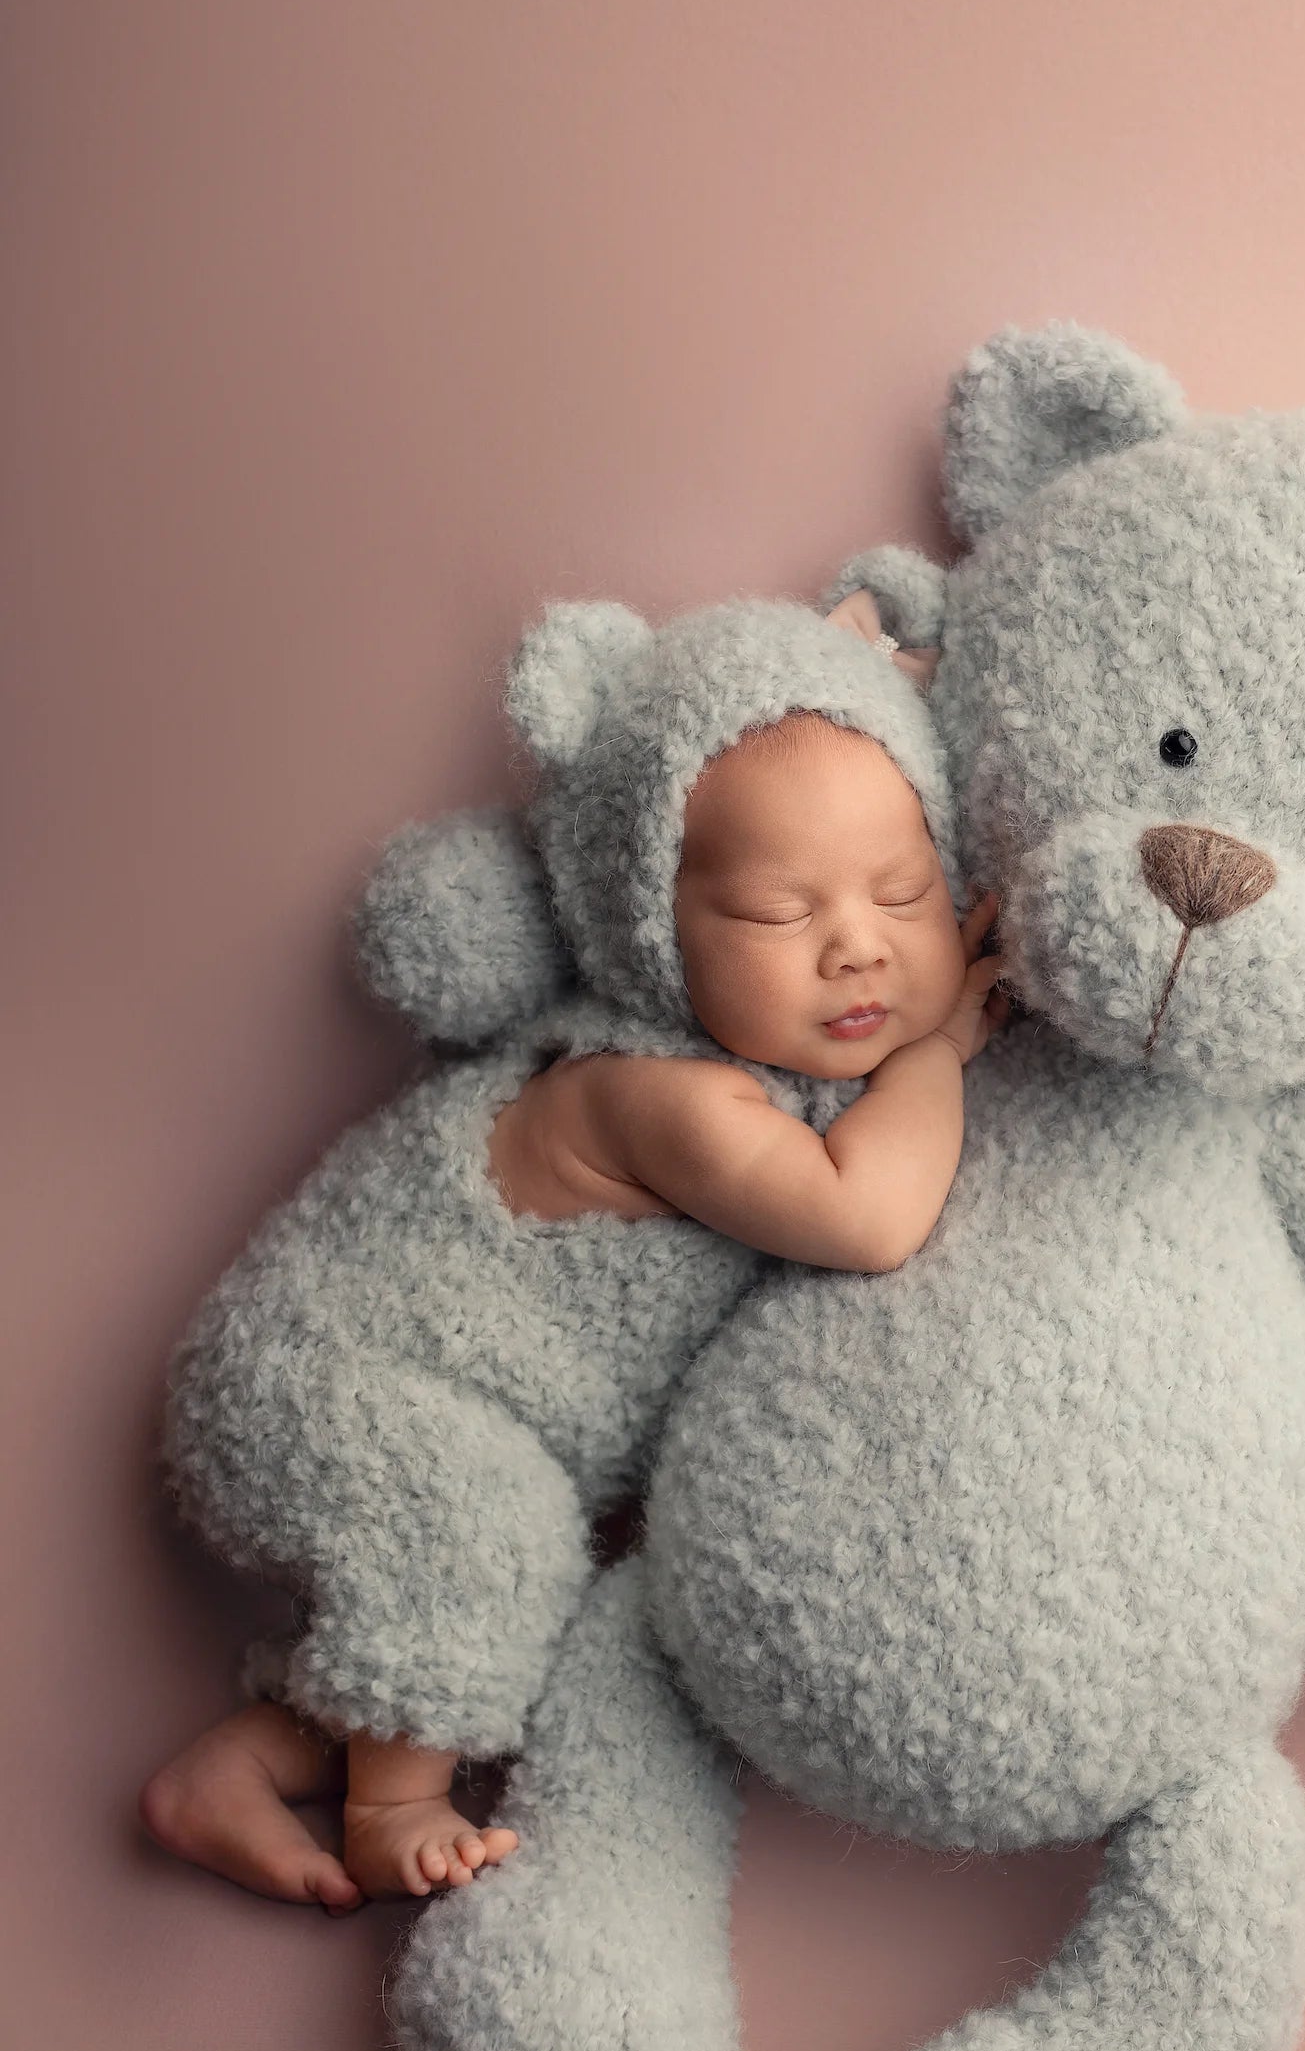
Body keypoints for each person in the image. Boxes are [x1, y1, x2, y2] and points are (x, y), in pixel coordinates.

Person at [142, 683, 1003, 1912]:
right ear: (654, 928)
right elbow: (866, 1217)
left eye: (903, 893)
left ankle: (240, 1766)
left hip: (388, 1397)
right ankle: (389, 1807)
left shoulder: (744, 1069)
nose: (856, 944)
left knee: (480, 1591)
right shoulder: (661, 1094)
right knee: (478, 1541)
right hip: (322, 1383)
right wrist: (937, 1051)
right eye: (777, 910)